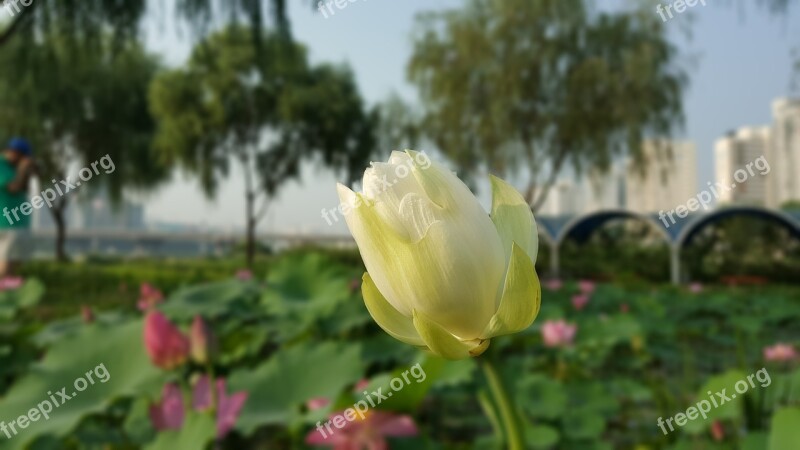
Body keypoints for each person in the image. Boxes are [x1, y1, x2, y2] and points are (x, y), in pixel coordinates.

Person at [0, 138, 34, 277]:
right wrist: (22, 169)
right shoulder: (2, 165)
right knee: (6, 262)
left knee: (15, 263)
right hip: (8, 222)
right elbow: (13, 188)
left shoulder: (13, 167)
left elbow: (24, 188)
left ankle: (7, 292)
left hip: (18, 223)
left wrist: (27, 171)